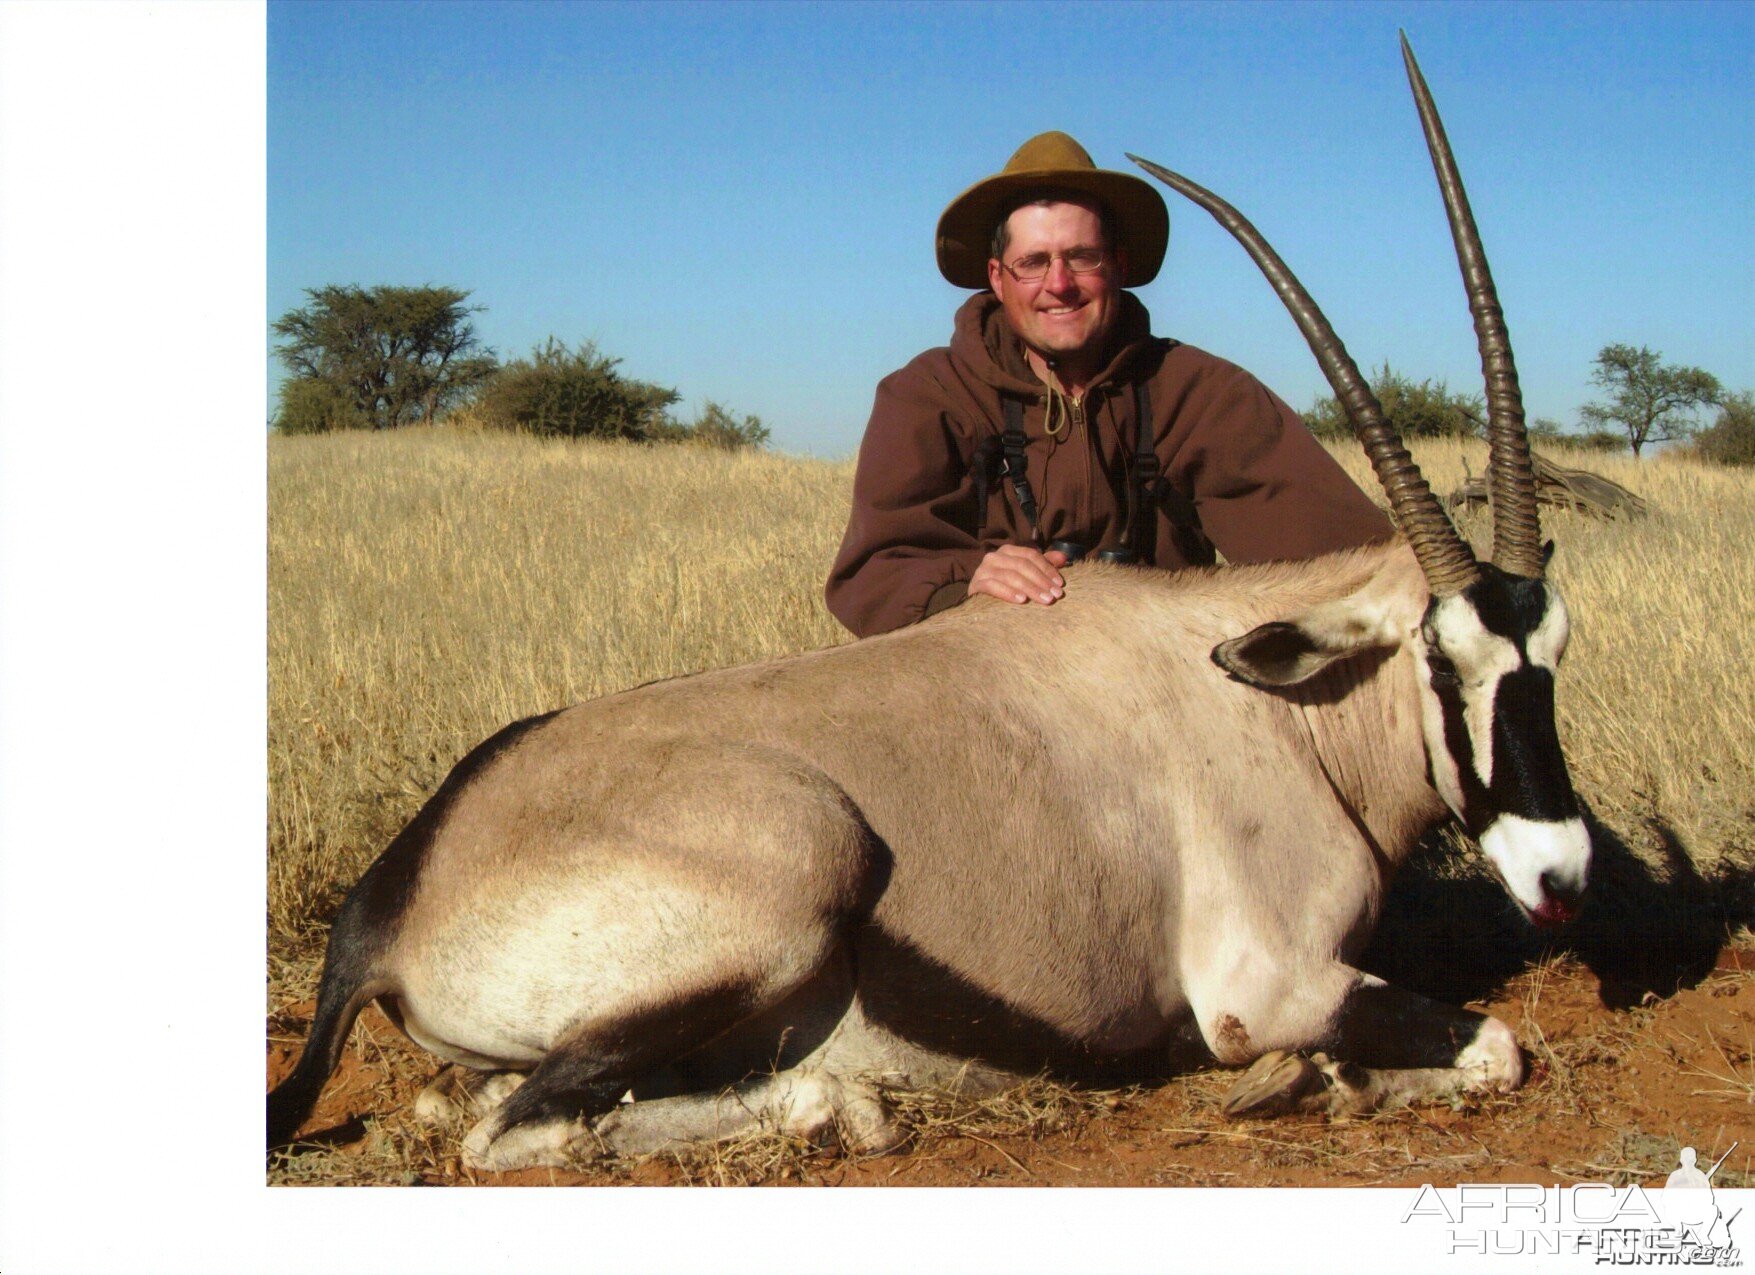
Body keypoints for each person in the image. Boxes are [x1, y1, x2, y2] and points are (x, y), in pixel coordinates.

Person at [825, 130, 1393, 638]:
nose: (1060, 284)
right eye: (1033, 262)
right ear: (997, 278)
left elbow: (1351, 558)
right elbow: (871, 574)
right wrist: (966, 575)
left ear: (1118, 264)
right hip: (990, 691)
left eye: (1083, 257)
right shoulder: (926, 395)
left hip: (1163, 690)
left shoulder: (1203, 392)